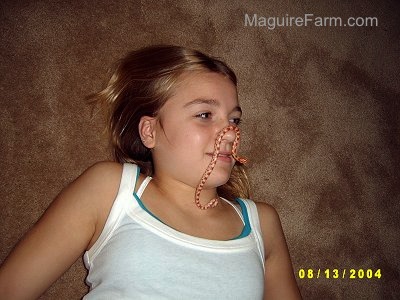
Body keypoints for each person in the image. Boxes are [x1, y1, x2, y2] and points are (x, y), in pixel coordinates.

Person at [0, 45, 301, 299]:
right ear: (149, 131)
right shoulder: (110, 191)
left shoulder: (262, 223)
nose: (230, 134)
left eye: (234, 120)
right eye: (205, 115)